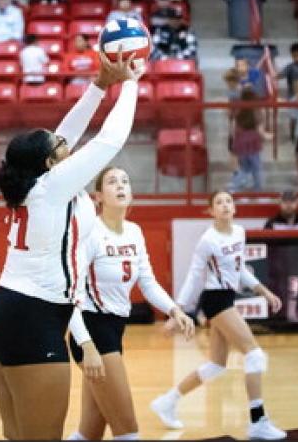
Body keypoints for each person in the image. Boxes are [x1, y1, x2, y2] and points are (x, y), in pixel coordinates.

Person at [0, 49, 144, 440]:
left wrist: (99, 86)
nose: (64, 141)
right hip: (33, 318)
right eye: (57, 145)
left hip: (8, 311)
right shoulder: (53, 187)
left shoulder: (36, 182)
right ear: (50, 163)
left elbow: (65, 133)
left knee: (18, 435)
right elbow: (111, 139)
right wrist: (132, 83)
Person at [66, 167, 195, 441]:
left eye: (125, 180)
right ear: (98, 196)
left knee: (88, 434)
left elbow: (147, 282)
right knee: (128, 431)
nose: (121, 185)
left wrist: (174, 309)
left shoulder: (134, 232)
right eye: (112, 182)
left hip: (115, 330)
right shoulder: (89, 233)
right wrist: (86, 345)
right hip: (92, 332)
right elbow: (71, 294)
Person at [151, 191, 286, 440]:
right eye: (219, 203)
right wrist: (177, 311)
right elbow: (193, 277)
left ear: (234, 208)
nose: (225, 205)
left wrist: (264, 291)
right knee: (254, 355)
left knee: (215, 366)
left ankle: (167, 402)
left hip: (227, 298)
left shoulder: (239, 233)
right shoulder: (208, 241)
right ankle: (258, 422)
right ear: (210, 211)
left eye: (228, 201)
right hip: (215, 300)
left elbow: (241, 269)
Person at [228, 89, 273, 193]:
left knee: (244, 168)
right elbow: (260, 131)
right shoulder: (256, 112)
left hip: (240, 144)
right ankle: (258, 190)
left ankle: (234, 186)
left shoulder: (237, 111)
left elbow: (233, 128)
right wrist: (269, 136)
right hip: (253, 144)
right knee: (257, 168)